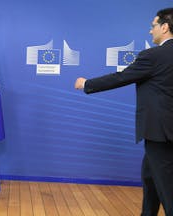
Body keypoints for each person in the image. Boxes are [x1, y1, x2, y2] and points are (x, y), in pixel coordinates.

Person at [74, 8, 173, 215]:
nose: (150, 31)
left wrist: (87, 84)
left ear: (165, 27)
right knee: (150, 178)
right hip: (164, 132)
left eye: (153, 25)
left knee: (167, 190)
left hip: (159, 133)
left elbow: (122, 77)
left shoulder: (153, 56)